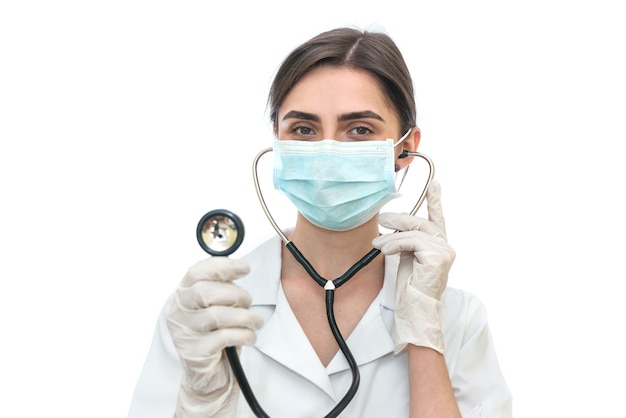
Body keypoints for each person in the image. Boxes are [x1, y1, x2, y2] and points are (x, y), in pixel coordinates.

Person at [128, 27, 512, 418]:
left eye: (359, 130)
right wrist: (197, 404)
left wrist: (424, 338)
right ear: (278, 142)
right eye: (304, 129)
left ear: (405, 149)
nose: (328, 152)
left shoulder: (455, 318)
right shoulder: (205, 309)